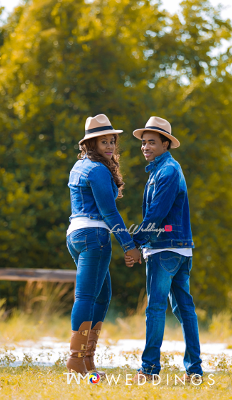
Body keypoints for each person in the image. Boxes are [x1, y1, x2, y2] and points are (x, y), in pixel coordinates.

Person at [126, 116, 203, 383]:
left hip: (165, 250)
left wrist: (134, 243)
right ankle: (194, 371)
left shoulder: (167, 171)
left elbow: (156, 215)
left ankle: (148, 370)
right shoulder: (163, 170)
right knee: (184, 309)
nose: (146, 147)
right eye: (144, 143)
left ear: (166, 144)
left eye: (152, 142)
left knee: (156, 309)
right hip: (179, 250)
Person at [66, 114, 141, 376]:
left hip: (76, 235)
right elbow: (109, 213)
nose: (109, 146)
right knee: (86, 296)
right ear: (91, 144)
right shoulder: (97, 170)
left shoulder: (80, 167)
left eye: (112, 141)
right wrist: (128, 245)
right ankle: (76, 361)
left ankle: (87, 359)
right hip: (94, 236)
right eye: (103, 142)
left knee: (102, 295)